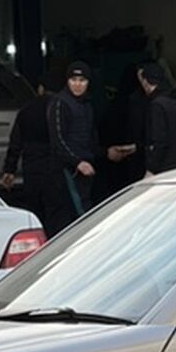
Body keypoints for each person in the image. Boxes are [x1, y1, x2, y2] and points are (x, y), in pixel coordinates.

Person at [46, 60, 100, 234]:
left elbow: (90, 138)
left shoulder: (87, 105)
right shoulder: (60, 104)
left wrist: (104, 153)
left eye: (82, 80)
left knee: (85, 209)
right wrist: (77, 162)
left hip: (85, 168)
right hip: (67, 171)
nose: (77, 85)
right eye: (73, 80)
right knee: (76, 215)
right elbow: (58, 140)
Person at [1, 80, 53, 225]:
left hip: (32, 166)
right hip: (56, 167)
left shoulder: (27, 110)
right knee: (56, 210)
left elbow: (16, 142)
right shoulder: (62, 108)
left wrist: (9, 169)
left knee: (35, 210)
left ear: (40, 88)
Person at [137, 61, 176, 176]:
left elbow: (159, 140)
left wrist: (151, 169)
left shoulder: (157, 106)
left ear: (146, 82)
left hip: (165, 168)